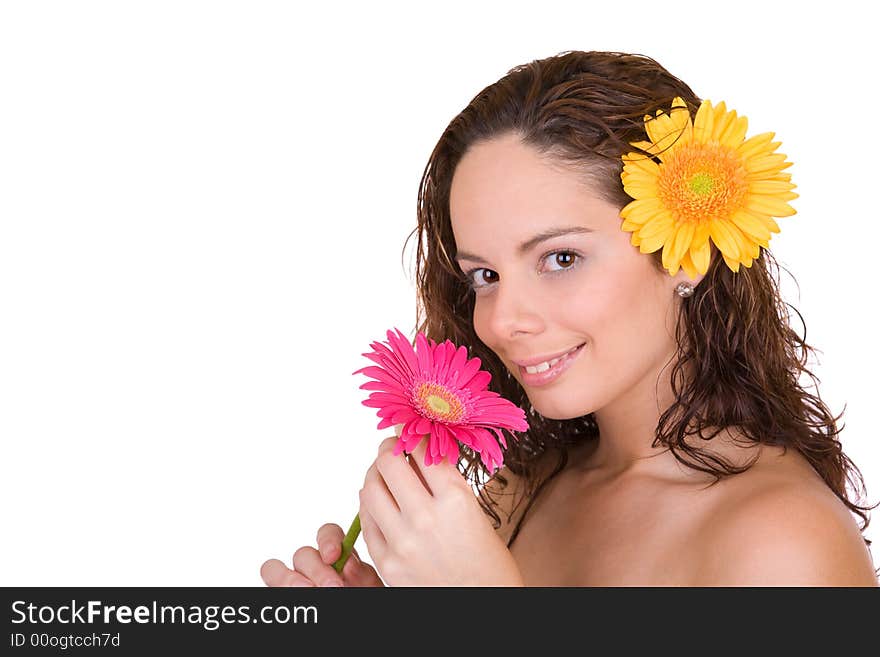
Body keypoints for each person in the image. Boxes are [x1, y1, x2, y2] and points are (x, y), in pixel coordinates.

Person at [260, 50, 878, 586]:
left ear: (688, 255)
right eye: (485, 276)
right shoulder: (527, 486)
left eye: (560, 258)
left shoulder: (786, 543)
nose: (502, 320)